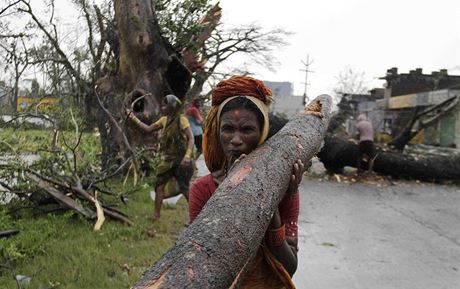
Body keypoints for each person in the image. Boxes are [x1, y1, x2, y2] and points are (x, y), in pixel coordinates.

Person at [188, 76, 304, 288]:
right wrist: (230, 192)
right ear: (217, 132)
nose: (236, 139)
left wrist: (270, 202)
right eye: (228, 129)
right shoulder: (202, 190)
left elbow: (289, 268)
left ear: (262, 134)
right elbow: (199, 265)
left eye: (247, 129)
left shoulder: (286, 189)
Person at [126, 94, 194, 220]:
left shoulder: (182, 120)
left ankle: (195, 216)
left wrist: (188, 155)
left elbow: (191, 138)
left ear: (173, 106)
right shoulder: (164, 120)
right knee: (159, 186)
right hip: (168, 161)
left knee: (184, 188)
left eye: (165, 104)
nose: (162, 107)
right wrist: (133, 117)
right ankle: (156, 216)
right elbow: (147, 129)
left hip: (181, 160)